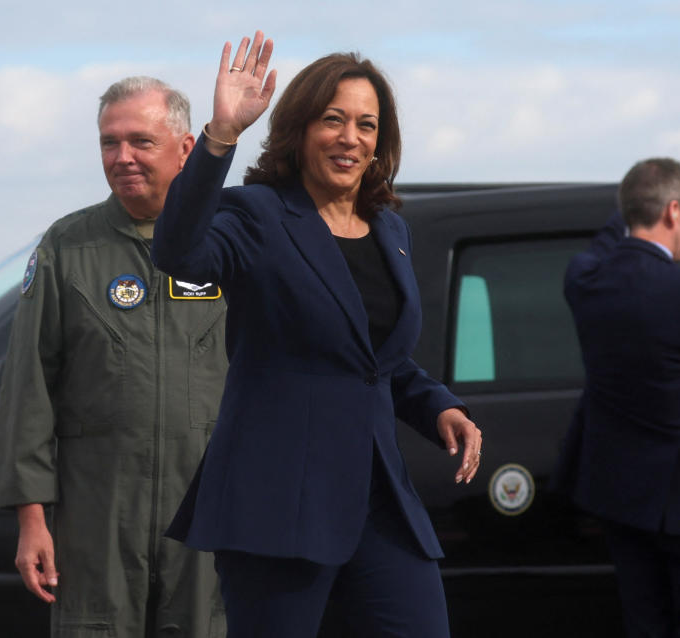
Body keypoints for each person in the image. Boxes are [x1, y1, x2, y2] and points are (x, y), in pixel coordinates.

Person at [151, 32, 482, 637]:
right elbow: (179, 253)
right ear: (300, 130)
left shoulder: (389, 230)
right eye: (333, 120)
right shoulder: (257, 214)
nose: (350, 137)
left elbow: (373, 358)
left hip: (378, 498)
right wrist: (221, 134)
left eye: (366, 124)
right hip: (281, 501)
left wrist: (438, 406)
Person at [0, 76, 228, 638]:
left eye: (141, 141)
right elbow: (28, 389)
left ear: (185, 149)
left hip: (209, 513)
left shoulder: (230, 239)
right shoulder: (67, 247)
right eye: (109, 142)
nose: (122, 157)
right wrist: (32, 521)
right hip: (97, 520)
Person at [552, 158, 680, 637]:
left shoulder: (585, 282)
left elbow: (610, 241)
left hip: (625, 504)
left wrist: (632, 205)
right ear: (672, 211)